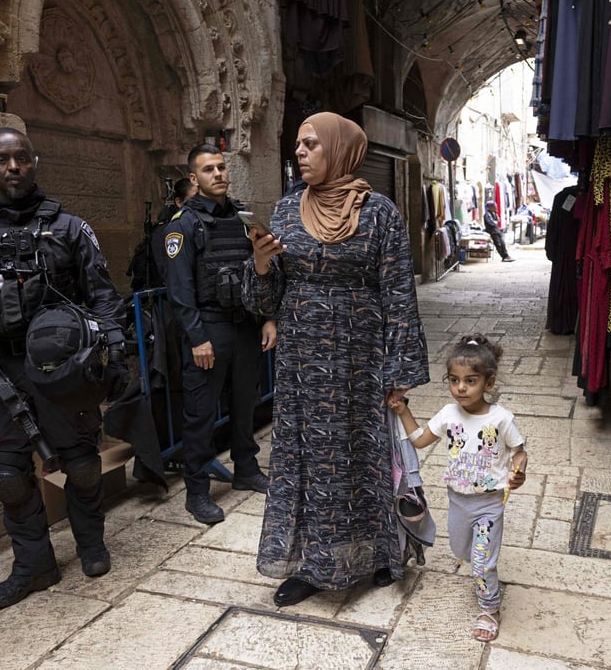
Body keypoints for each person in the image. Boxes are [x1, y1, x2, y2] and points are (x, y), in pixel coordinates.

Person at [0, 127, 128, 609]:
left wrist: (112, 350)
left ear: (35, 161)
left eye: (21, 158)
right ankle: (34, 566)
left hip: (64, 371)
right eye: (2, 160)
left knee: (80, 465)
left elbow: (103, 295)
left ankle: (91, 544)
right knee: (9, 475)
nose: (13, 167)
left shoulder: (70, 228)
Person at [245, 112, 429, 607]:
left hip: (360, 355)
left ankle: (379, 555)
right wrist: (262, 266)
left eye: (311, 145)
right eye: (298, 146)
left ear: (339, 149)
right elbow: (267, 300)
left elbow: (398, 295)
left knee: (364, 453)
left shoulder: (379, 213)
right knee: (309, 458)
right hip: (303, 360)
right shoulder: (285, 211)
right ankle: (312, 565)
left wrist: (399, 372)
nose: (300, 153)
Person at [390, 334, 527, 642]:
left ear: (488, 383)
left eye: (470, 380)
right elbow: (420, 440)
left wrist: (520, 470)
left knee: (481, 562)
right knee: (460, 550)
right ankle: (481, 569)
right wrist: (403, 412)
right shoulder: (448, 414)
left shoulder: (501, 419)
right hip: (458, 502)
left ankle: (489, 609)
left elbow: (519, 451)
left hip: (489, 504)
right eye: (454, 380)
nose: (461, 388)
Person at [163, 144, 274, 524]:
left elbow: (261, 270)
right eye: (209, 170)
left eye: (222, 167)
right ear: (194, 179)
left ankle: (246, 469)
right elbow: (180, 292)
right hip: (208, 329)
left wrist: (267, 318)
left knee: (247, 402)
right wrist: (197, 338)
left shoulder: (243, 219)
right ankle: (197, 492)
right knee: (200, 414)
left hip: (244, 325)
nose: (219, 174)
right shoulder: (183, 225)